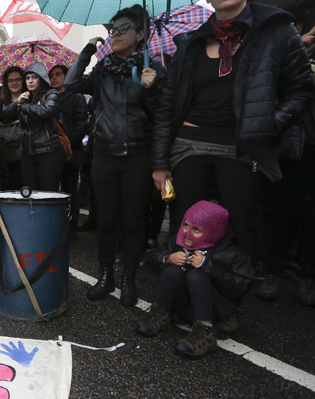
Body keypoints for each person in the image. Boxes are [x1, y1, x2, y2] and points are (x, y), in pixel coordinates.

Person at [150, 0, 314, 259]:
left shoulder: (277, 29)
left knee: (241, 229)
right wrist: (159, 162)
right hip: (188, 145)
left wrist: (269, 126)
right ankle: (183, 293)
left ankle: (229, 293)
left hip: (242, 148)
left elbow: (302, 90)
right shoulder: (191, 41)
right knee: (184, 228)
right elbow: (167, 106)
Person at [64, 5, 161, 306]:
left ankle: (129, 279)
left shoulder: (153, 68)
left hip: (138, 154)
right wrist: (85, 54)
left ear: (141, 34)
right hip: (104, 153)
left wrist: (152, 88)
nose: (114, 34)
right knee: (106, 221)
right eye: (111, 30)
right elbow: (69, 86)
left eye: (122, 29)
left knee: (133, 222)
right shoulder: (102, 71)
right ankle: (105, 276)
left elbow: (162, 115)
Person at [136, 201, 254, 360]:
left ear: (214, 231)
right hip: (183, 306)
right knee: (173, 270)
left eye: (196, 230)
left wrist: (208, 267)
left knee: (196, 275)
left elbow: (240, 288)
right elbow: (153, 261)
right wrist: (167, 258)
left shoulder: (232, 253)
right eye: (185, 225)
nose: (187, 233)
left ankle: (205, 332)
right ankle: (160, 314)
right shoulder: (178, 243)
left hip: (214, 311)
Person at [256, 14, 315, 306]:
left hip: (311, 146)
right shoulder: (278, 52)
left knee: (311, 214)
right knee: (275, 210)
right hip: (282, 145)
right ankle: (272, 272)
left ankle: (308, 276)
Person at [0, 62, 63, 191]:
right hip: (27, 153)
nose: (30, 81)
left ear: (42, 78)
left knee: (48, 193)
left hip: (48, 151)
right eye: (27, 78)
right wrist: (18, 102)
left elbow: (45, 111)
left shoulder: (51, 94)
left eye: (34, 77)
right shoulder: (25, 98)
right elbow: (4, 118)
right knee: (31, 194)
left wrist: (23, 106)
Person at [49, 64, 89, 229]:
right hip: (51, 151)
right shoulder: (47, 97)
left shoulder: (75, 97)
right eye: (51, 75)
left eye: (58, 74)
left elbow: (81, 125)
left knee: (70, 190)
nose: (54, 78)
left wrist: (67, 144)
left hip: (72, 152)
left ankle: (71, 226)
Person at [0, 66, 25, 191]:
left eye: (18, 79)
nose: (14, 83)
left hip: (24, 150)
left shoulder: (30, 99)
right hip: (4, 151)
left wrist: (6, 121)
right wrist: (18, 120)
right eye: (10, 80)